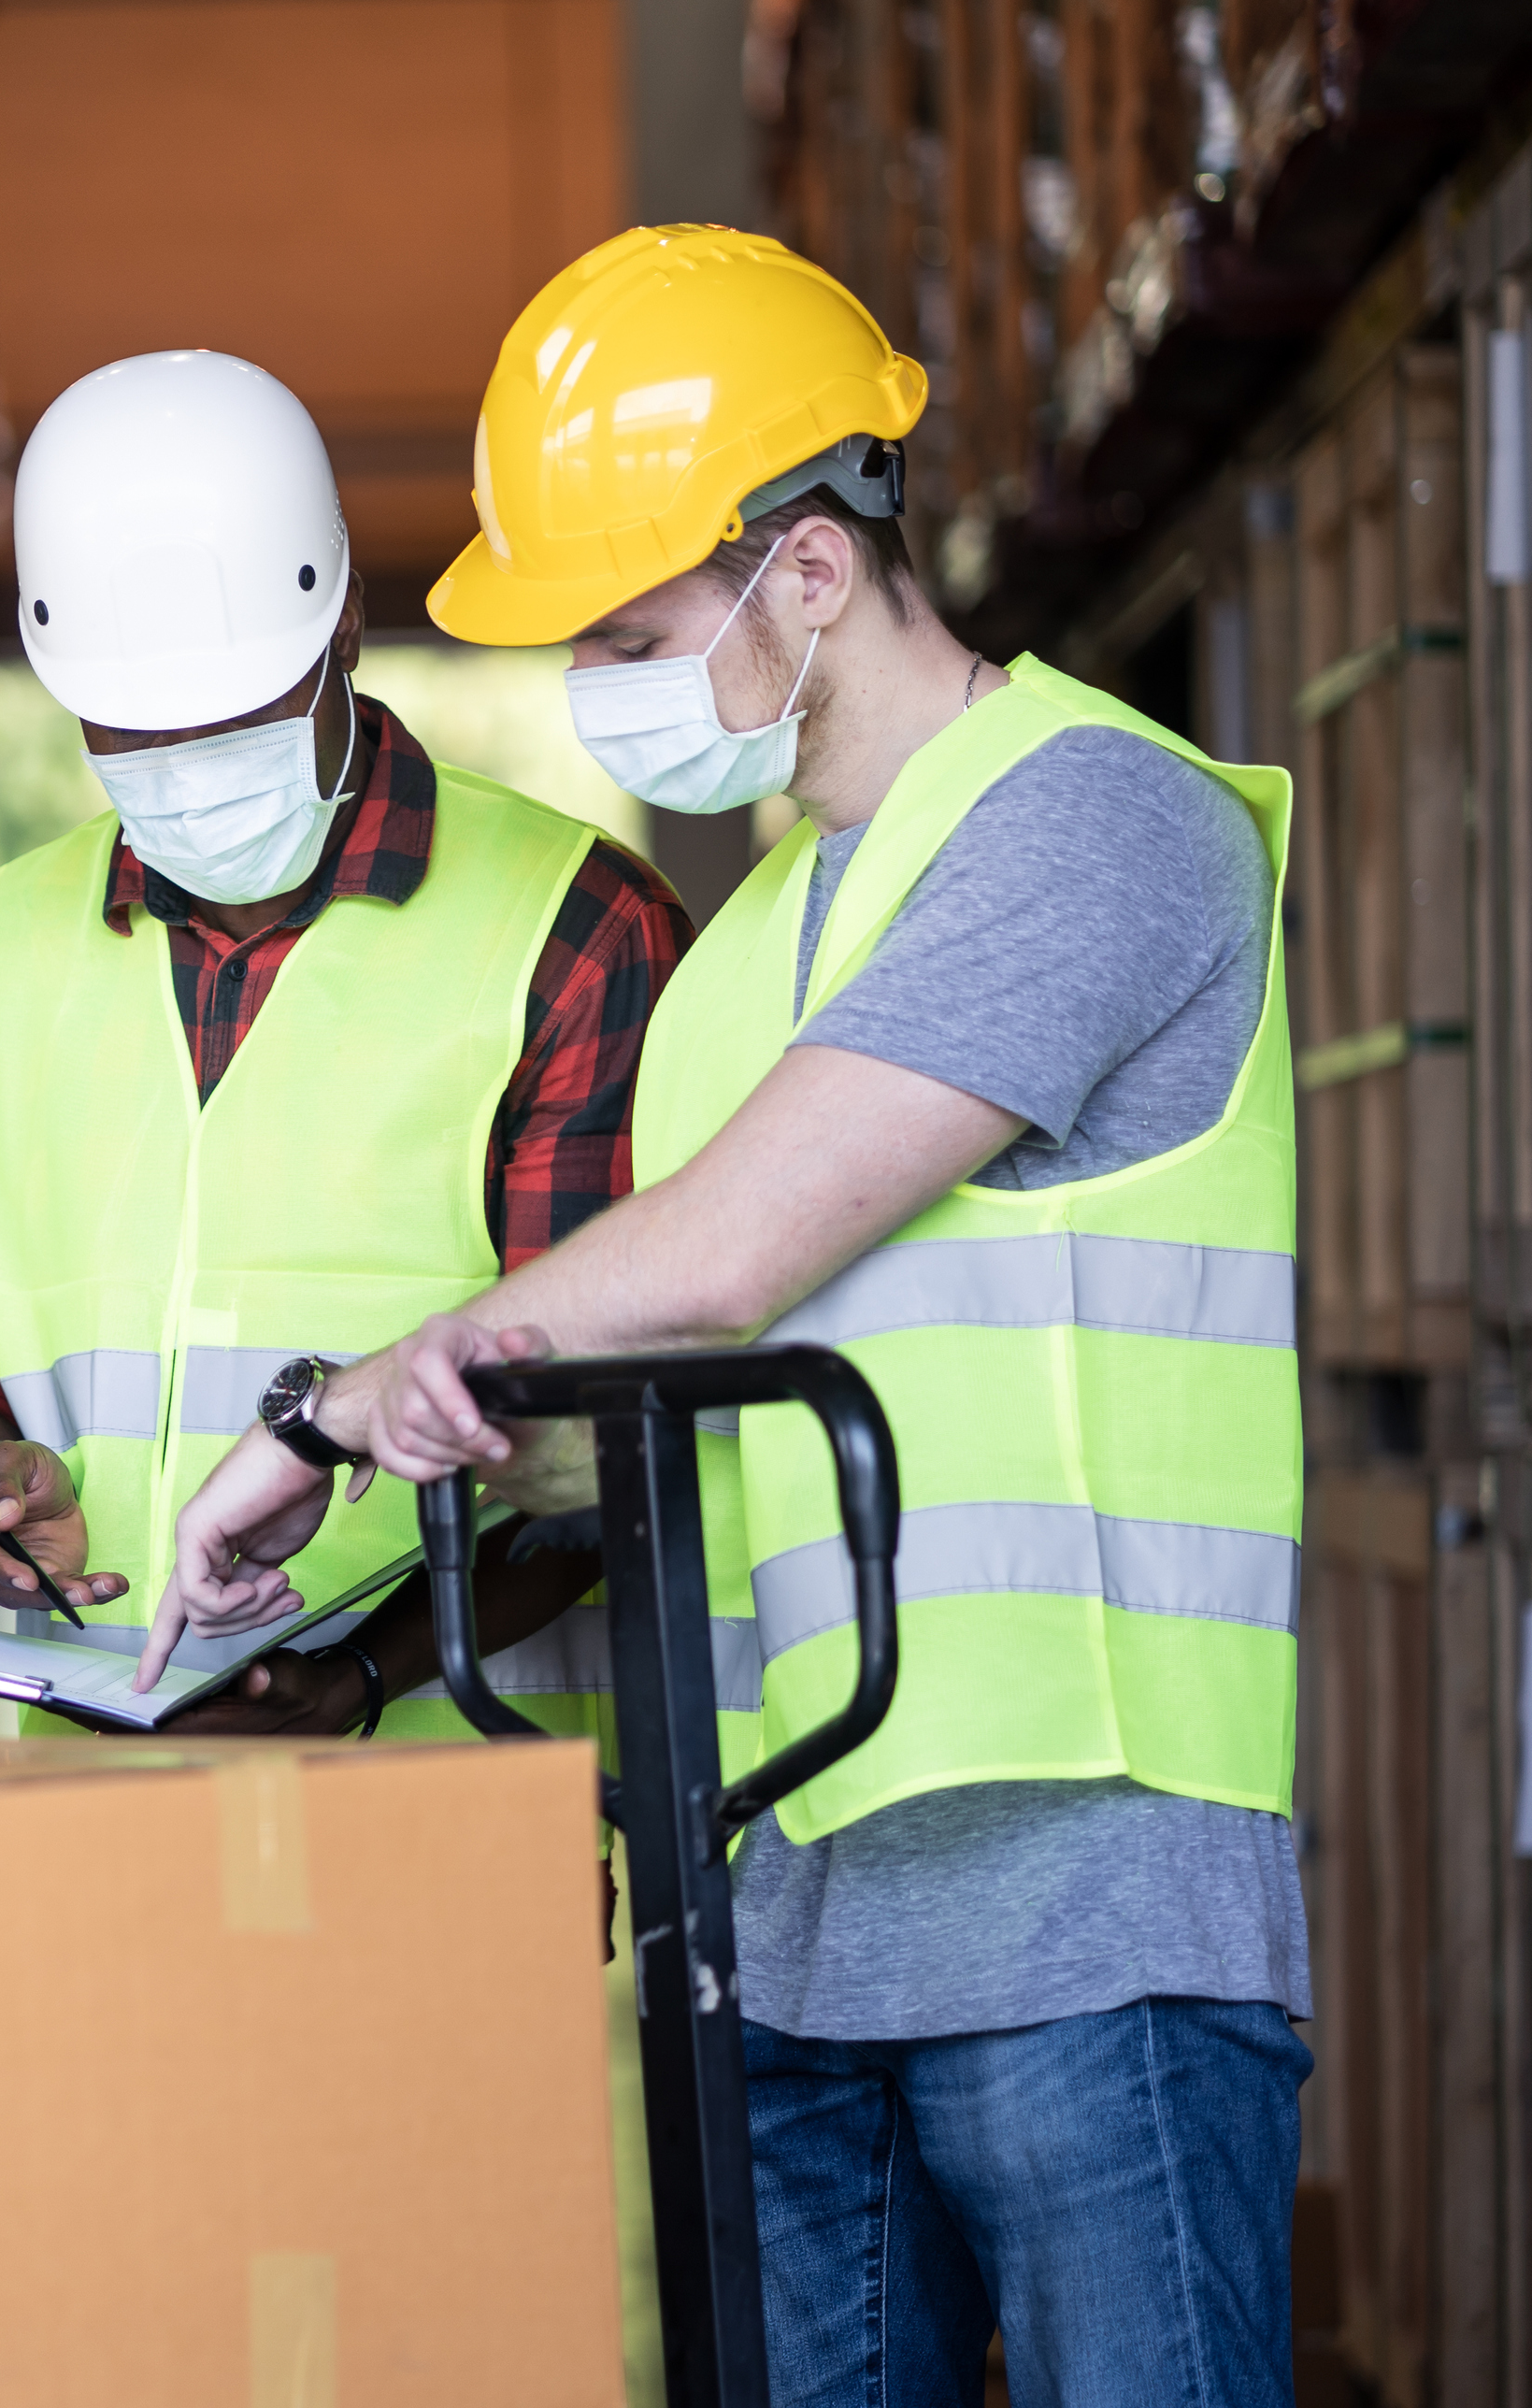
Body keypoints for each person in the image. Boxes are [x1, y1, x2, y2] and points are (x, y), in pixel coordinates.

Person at [157, 228, 1306, 2408]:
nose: (603, 682)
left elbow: (716, 1258)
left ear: (804, 568)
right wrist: (386, 1648)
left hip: (1086, 1902)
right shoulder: (744, 948)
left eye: (631, 627)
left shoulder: (1097, 821)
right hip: (790, 1900)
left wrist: (325, 1420)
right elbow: (667, 1414)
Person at [0, 349, 691, 1737]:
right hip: (96, 1792)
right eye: (132, 725)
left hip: (449, 1790)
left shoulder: (575, 930)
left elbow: (604, 1436)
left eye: (235, 710)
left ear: (344, 624)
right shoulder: (5, 946)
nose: (183, 757)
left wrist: (357, 1677)